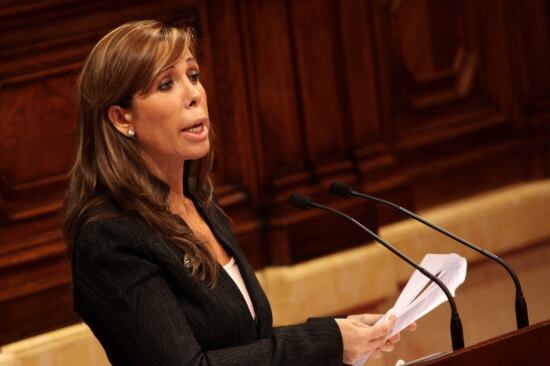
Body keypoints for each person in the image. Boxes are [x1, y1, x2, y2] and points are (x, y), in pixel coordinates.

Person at [63, 20, 415, 366]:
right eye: (167, 84)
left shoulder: (199, 203)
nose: (194, 94)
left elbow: (247, 345)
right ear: (122, 118)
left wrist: (340, 334)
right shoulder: (110, 236)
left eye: (193, 75)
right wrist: (329, 343)